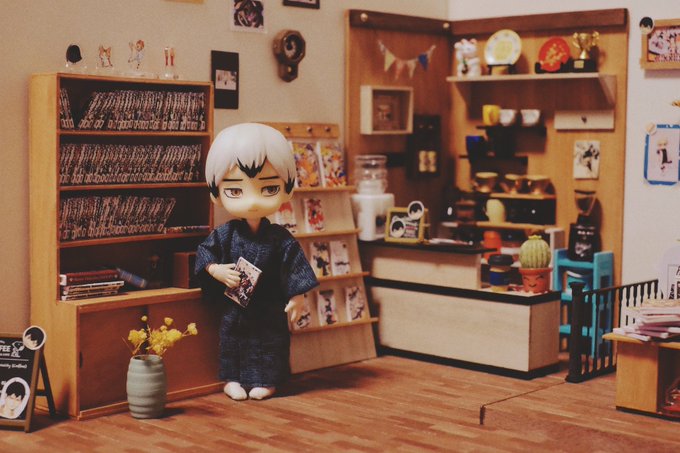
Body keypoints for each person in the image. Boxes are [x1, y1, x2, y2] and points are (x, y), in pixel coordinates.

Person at [195, 123, 318, 401]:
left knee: (270, 343)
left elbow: (294, 266)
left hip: (269, 306)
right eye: (235, 191)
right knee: (232, 341)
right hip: (235, 306)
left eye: (269, 188)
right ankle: (233, 379)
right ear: (216, 193)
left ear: (287, 189)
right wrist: (215, 269)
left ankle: (267, 380)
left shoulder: (279, 238)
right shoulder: (225, 234)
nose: (252, 201)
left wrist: (298, 296)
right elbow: (205, 253)